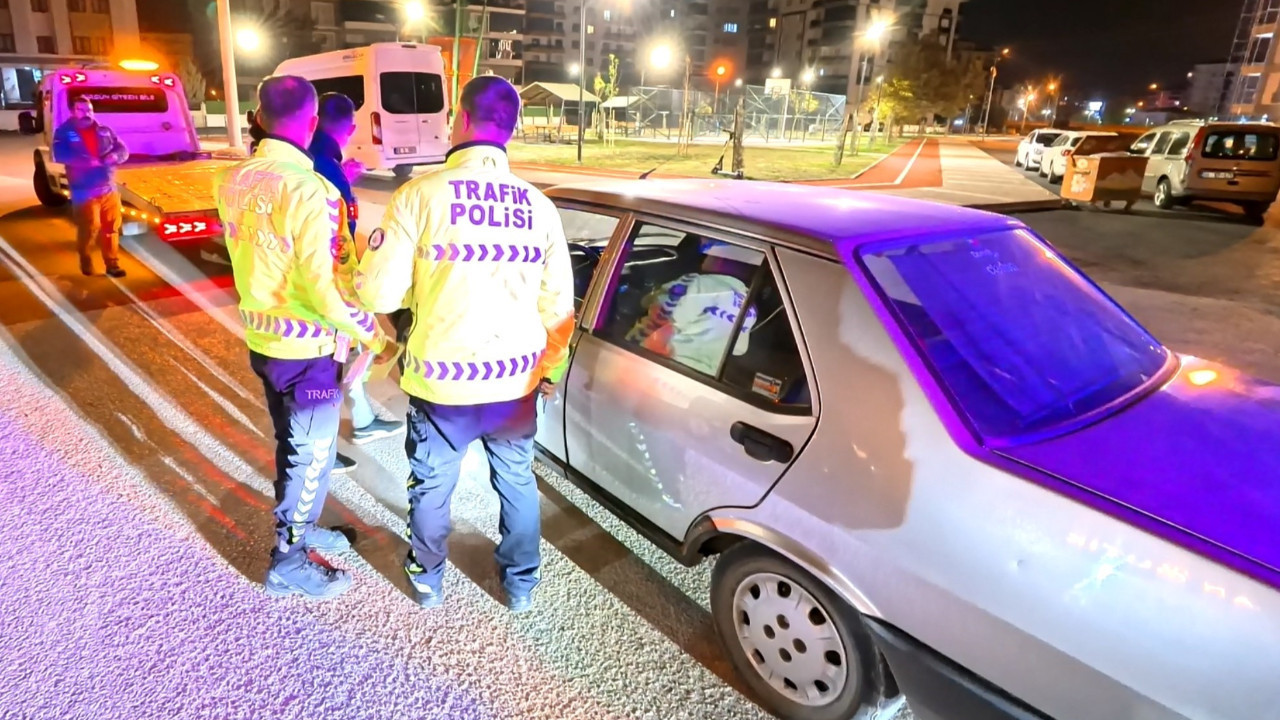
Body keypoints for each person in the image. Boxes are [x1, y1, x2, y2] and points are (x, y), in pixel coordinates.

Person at [354, 76, 574, 613]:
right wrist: (551, 370)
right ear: (514, 129)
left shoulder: (419, 195)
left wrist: (417, 291)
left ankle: (428, 580)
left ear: (462, 120)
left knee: (432, 484)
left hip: (442, 381)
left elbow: (376, 288)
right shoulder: (539, 207)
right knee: (517, 480)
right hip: (516, 382)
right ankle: (520, 584)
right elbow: (559, 310)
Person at [213, 75, 395, 600]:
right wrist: (375, 338)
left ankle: (302, 527)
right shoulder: (310, 191)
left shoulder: (233, 180)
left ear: (260, 117)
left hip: (264, 345)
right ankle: (288, 561)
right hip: (309, 353)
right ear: (313, 124)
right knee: (310, 457)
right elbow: (324, 292)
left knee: (292, 448)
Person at [308, 92, 405, 446]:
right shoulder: (325, 164)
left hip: (317, 281)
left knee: (339, 358)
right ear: (349, 128)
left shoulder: (316, 157)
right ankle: (320, 453)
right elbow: (335, 239)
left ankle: (358, 420)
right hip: (331, 278)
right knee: (335, 360)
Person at [626, 241, 759, 375]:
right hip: (704, 380)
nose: (703, 258)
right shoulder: (749, 307)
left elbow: (660, 315)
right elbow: (738, 349)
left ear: (722, 257)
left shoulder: (699, 284)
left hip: (663, 370)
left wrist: (647, 298)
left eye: (708, 253)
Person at [53, 96, 129, 278]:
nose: (87, 113)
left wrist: (114, 157)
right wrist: (89, 162)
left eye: (89, 109)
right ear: (73, 112)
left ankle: (112, 265)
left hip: (108, 188)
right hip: (83, 190)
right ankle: (85, 259)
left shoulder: (104, 130)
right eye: (82, 110)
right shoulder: (64, 132)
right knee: (90, 228)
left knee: (111, 228)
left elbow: (122, 149)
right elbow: (61, 154)